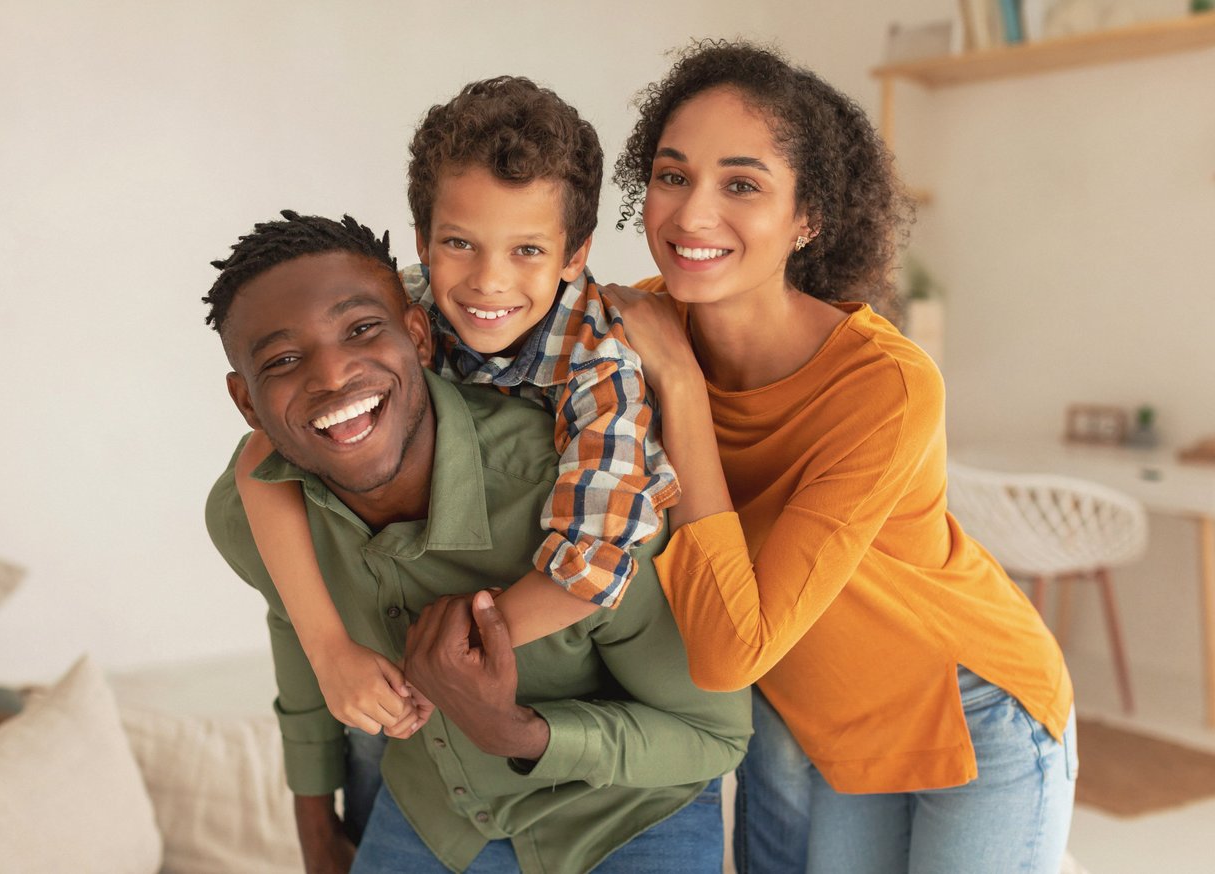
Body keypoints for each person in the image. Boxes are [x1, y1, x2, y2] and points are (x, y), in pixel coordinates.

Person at [602, 39, 1077, 874]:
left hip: (971, 710)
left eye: (741, 185)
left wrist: (681, 386)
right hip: (818, 722)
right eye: (673, 175)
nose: (690, 215)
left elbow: (729, 650)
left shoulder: (884, 386)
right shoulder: (639, 323)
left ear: (808, 217)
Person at [202, 210, 750, 873]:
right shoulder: (252, 516)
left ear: (417, 336)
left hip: (627, 812)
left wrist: (514, 732)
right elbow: (295, 622)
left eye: (361, 329)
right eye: (284, 360)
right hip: (438, 812)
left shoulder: (588, 505)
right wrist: (315, 828)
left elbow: (714, 736)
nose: (332, 375)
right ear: (247, 403)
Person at [231, 77, 679, 741]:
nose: (488, 281)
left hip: (581, 679)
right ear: (422, 240)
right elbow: (260, 459)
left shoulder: (603, 372)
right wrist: (329, 650)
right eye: (460, 244)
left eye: (527, 250)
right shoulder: (397, 314)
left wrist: (443, 663)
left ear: (575, 255)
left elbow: (591, 565)